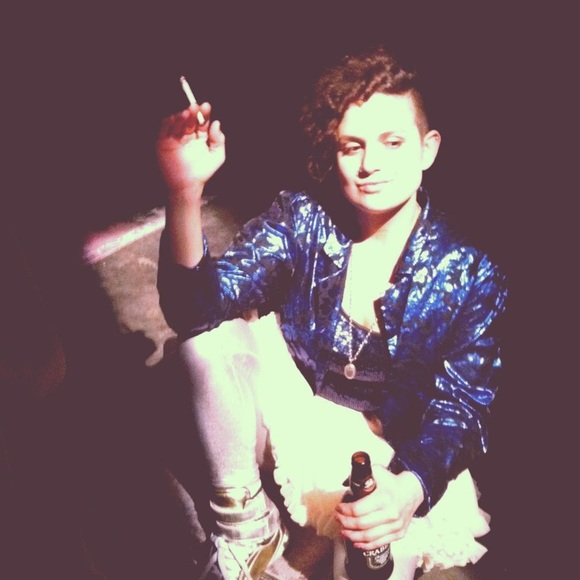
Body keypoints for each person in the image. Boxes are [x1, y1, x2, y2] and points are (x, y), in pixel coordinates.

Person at [155, 46, 508, 580]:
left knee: (374, 564)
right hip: (294, 409)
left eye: (392, 142)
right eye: (352, 146)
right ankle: (246, 531)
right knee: (204, 344)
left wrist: (408, 490)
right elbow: (193, 309)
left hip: (385, 452)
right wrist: (184, 193)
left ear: (428, 149)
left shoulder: (468, 270)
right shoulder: (303, 218)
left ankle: (310, 549)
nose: (370, 165)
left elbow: (463, 406)